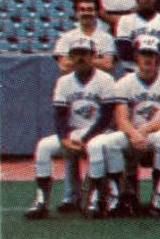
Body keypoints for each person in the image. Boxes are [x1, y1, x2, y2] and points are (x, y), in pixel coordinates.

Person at [24, 34, 117, 219]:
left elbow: (107, 117)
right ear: (71, 57)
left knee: (95, 146)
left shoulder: (106, 79)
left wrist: (85, 138)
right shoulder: (64, 81)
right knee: (43, 146)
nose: (81, 58)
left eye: (85, 53)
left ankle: (96, 200)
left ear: (93, 56)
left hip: (100, 133)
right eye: (76, 54)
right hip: (73, 133)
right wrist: (64, 139)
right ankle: (41, 201)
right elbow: (59, 115)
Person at [102, 35, 160, 217]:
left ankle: (159, 194)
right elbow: (121, 119)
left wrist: (146, 130)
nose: (148, 59)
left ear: (159, 59)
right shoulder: (124, 82)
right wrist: (134, 134)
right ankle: (117, 195)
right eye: (144, 54)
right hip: (132, 133)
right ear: (136, 57)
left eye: (152, 55)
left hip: (155, 133)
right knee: (111, 142)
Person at [54, 0, 116, 74]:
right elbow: (64, 67)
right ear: (76, 13)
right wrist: (93, 60)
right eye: (82, 10)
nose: (86, 13)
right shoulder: (66, 38)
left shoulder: (107, 38)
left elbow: (107, 65)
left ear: (96, 12)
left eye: (90, 10)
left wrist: (78, 59)